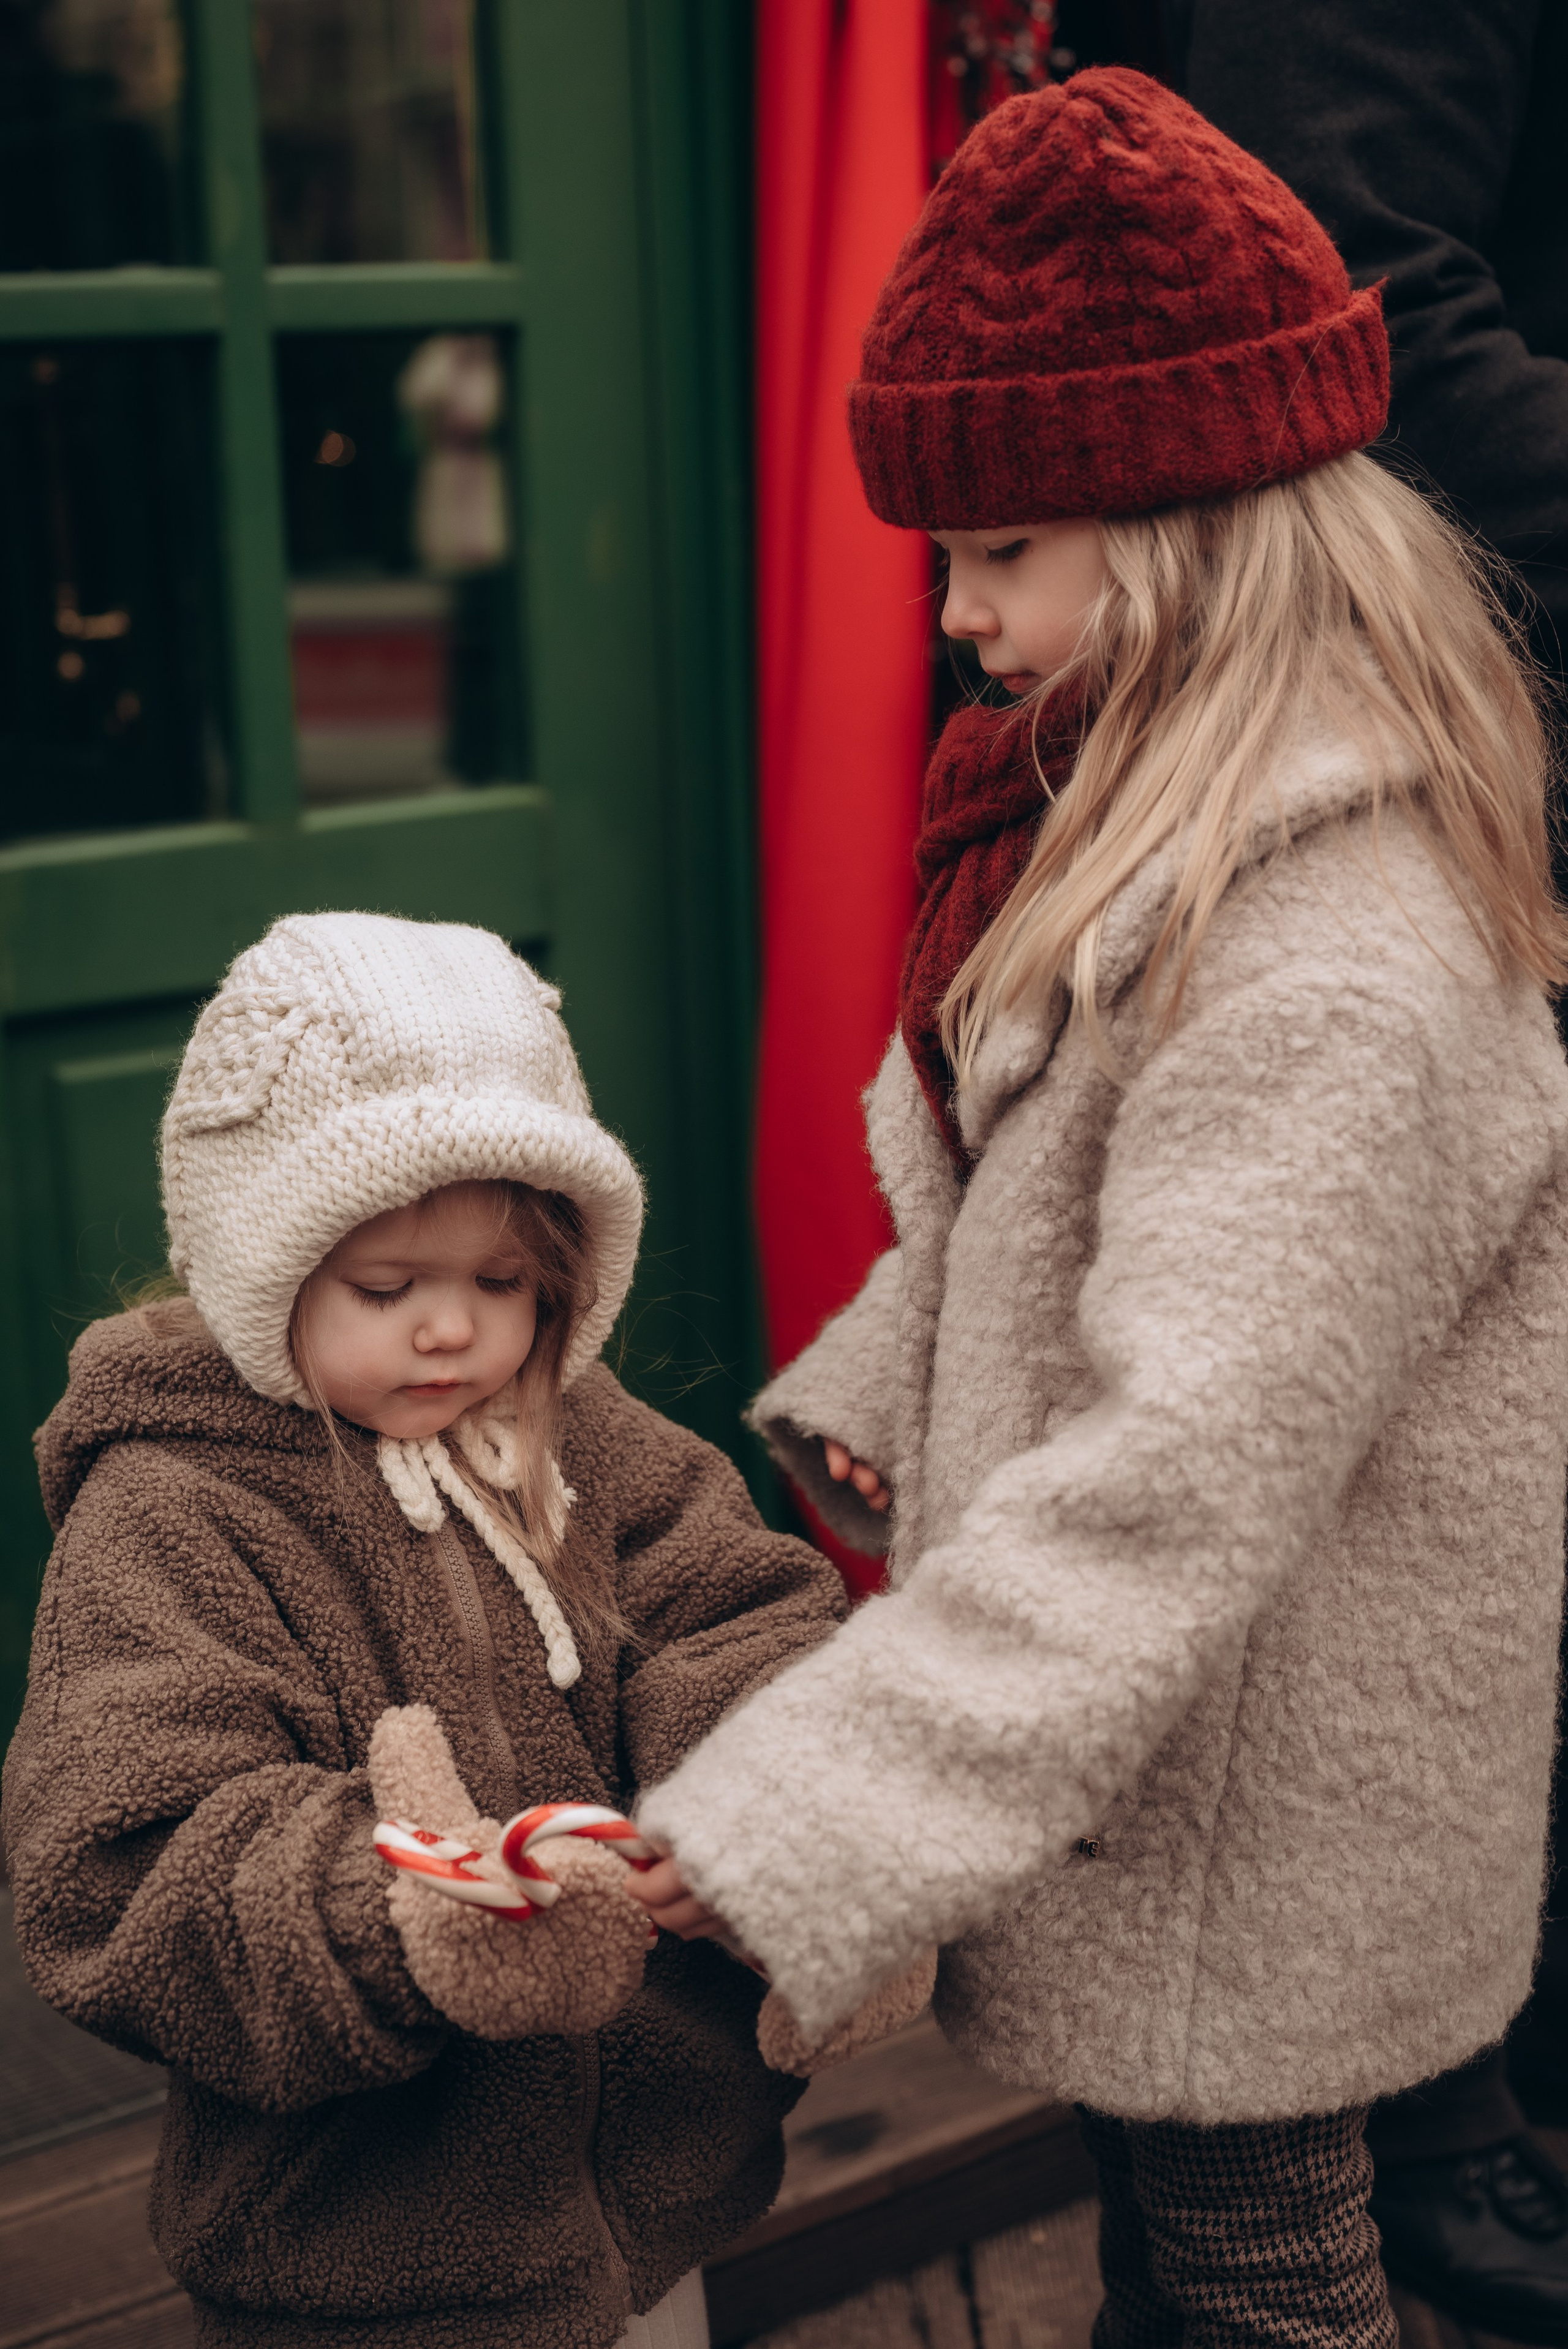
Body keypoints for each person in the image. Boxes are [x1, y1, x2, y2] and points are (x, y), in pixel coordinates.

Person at [628, 70, 1568, 2349]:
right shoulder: (1147, 815)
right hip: (1182, 1761)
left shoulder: (1329, 943)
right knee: (1212, 2261)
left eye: (994, 558)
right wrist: (887, 1376)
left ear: (1176, 524)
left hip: (1253, 1786)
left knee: (1256, 2286)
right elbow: (1082, 1211)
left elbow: (1180, 1470)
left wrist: (797, 1809)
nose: (952, 621)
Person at [0, 911, 927, 2349]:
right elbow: (123, 1853)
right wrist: (414, 1915)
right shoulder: (173, 1508)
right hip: (363, 2249)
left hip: (650, 2202)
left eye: (502, 1284)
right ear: (266, 1264)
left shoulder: (583, 1438)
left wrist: (751, 1804)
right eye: (388, 1289)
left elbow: (733, 1619)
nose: (452, 1333)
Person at [1158, 12, 1568, 2334]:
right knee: (1373, 1528)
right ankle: (1420, 2131)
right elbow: (1372, 283)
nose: (958, 626)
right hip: (1468, 729)